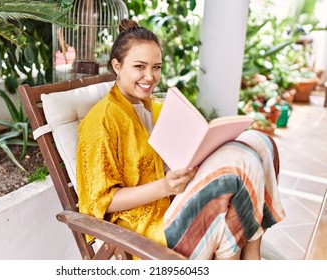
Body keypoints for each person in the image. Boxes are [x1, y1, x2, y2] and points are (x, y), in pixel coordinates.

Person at [76, 19, 285, 260]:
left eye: (156, 67)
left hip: (176, 201)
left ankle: (250, 255)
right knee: (239, 162)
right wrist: (164, 186)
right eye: (139, 67)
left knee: (259, 142)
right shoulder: (101, 121)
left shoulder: (151, 106)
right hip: (148, 235)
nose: (150, 76)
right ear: (117, 66)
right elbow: (102, 202)